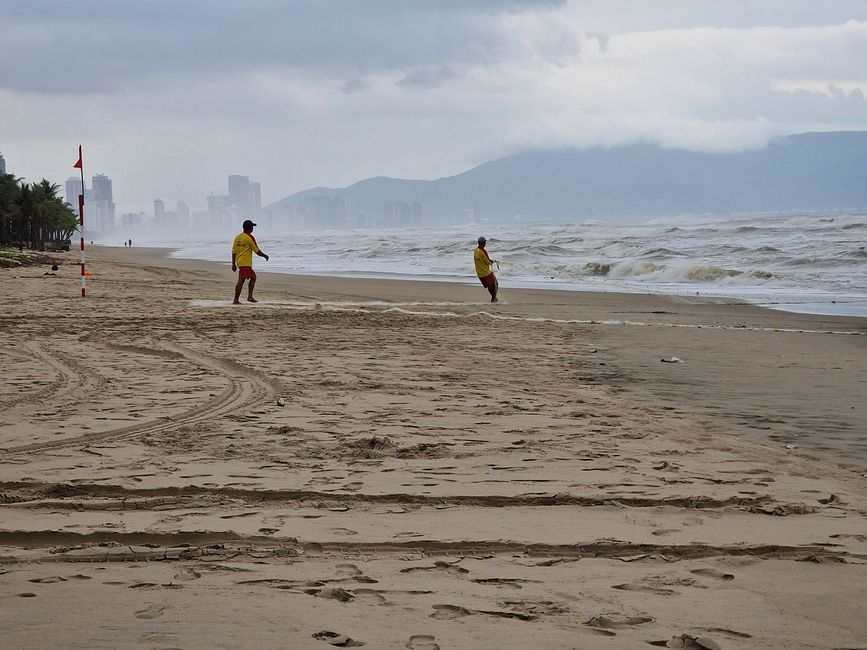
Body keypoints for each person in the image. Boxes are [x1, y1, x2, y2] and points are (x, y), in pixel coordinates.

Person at [231, 219, 269, 304]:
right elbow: (257, 251)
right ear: (250, 228)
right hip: (246, 263)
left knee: (252, 277)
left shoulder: (238, 237)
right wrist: (265, 255)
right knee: (241, 280)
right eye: (252, 227)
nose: (253, 228)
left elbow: (233, 251)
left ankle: (247, 297)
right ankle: (238, 299)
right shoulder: (249, 237)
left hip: (240, 262)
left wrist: (233, 264)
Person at [473, 236, 499, 302]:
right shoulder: (482, 252)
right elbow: (488, 262)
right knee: (495, 284)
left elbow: (483, 260)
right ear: (483, 243)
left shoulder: (476, 250)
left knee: (489, 286)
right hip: (485, 272)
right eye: (485, 242)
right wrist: (494, 261)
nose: (485, 244)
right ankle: (493, 298)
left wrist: (490, 261)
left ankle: (494, 298)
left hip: (479, 273)